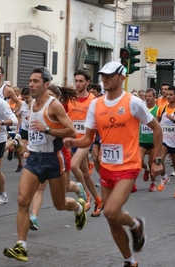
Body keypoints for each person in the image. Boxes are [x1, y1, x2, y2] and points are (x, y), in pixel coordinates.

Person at [63, 62, 163, 267]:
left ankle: (136, 224)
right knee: (112, 219)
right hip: (107, 166)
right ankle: (130, 261)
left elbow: (157, 129)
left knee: (109, 210)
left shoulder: (133, 102)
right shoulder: (96, 104)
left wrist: (156, 160)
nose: (104, 79)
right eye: (102, 75)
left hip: (129, 166)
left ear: (121, 78)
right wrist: (74, 141)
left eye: (109, 75)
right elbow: (88, 139)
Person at [3, 67, 86, 262]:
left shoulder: (54, 105)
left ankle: (77, 207)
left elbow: (72, 132)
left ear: (46, 84)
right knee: (23, 201)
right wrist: (26, 145)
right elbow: (31, 130)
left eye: (36, 81)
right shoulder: (30, 104)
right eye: (30, 81)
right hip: (34, 160)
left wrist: (47, 129)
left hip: (52, 160)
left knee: (59, 204)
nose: (31, 84)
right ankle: (21, 246)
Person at [68, 69, 102, 216]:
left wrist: (100, 143)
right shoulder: (70, 99)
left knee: (73, 165)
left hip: (86, 139)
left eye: (81, 81)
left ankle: (85, 194)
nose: (78, 84)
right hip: (72, 140)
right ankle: (98, 199)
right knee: (85, 174)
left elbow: (100, 122)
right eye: (76, 81)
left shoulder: (94, 101)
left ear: (88, 82)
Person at [139, 88, 160, 192]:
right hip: (142, 140)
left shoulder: (158, 109)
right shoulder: (141, 108)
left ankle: (153, 183)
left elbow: (158, 124)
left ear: (155, 98)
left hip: (153, 141)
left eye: (149, 96)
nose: (147, 98)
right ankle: (145, 168)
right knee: (138, 162)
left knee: (152, 163)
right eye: (146, 96)